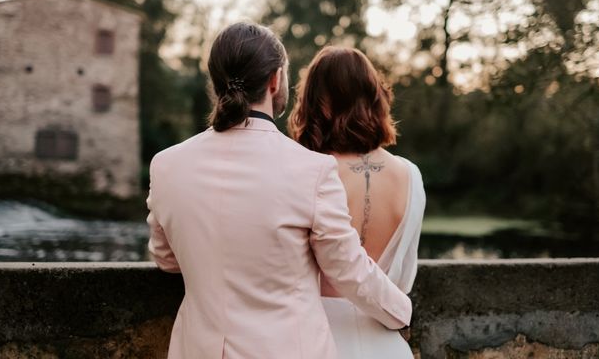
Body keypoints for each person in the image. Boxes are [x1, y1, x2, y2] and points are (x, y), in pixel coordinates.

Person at [145, 22, 412, 359]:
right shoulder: (312, 170)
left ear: (216, 83)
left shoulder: (166, 165)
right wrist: (403, 311)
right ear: (275, 80)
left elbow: (166, 258)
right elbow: (347, 269)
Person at [288, 46, 426, 359]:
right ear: (374, 97)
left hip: (318, 341)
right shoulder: (410, 175)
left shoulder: (309, 171)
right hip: (387, 344)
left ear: (318, 103)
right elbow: (403, 277)